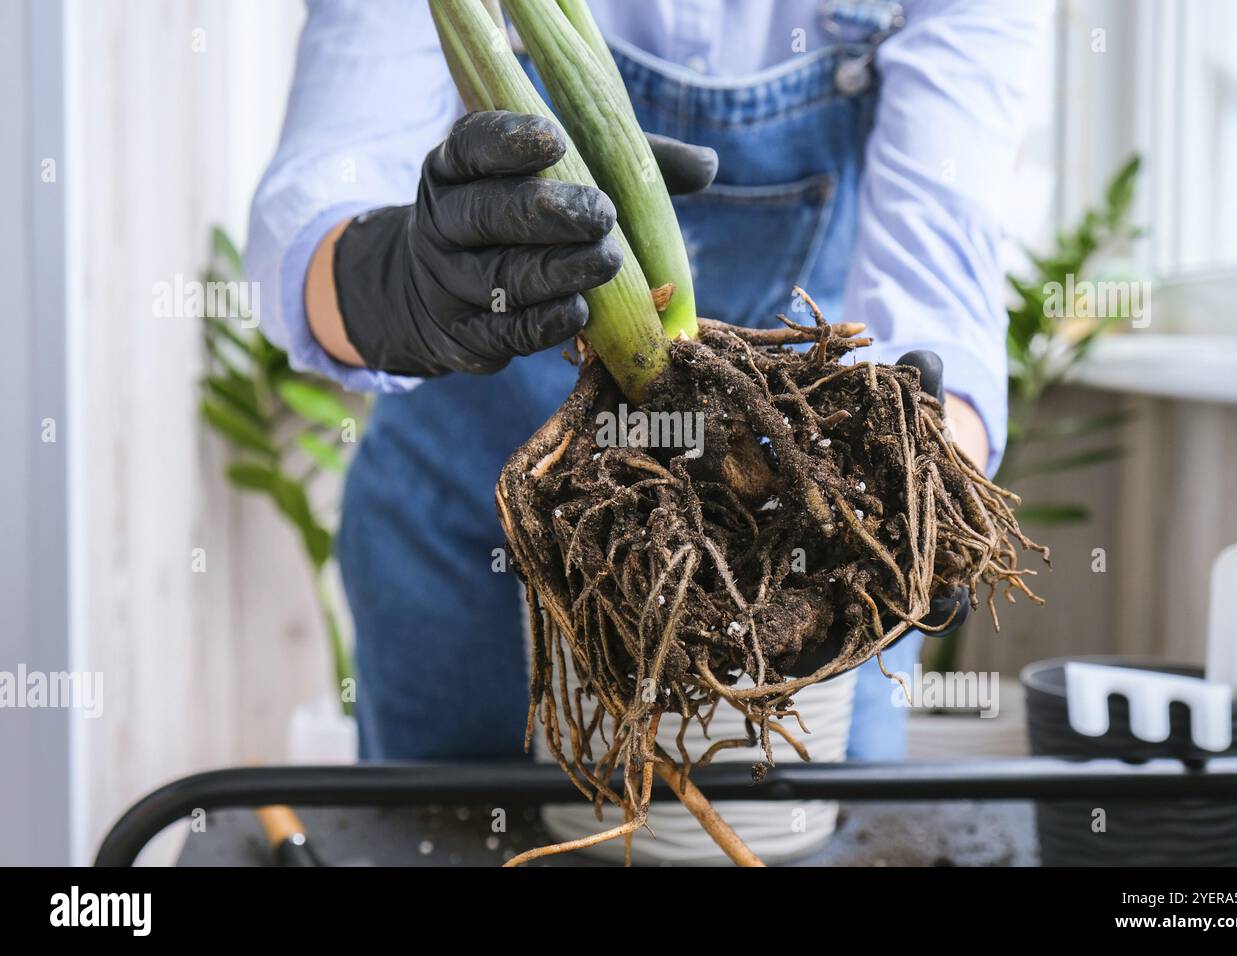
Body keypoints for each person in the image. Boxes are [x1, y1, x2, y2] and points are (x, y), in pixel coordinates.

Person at [248, 0, 1046, 762]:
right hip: (470, 532)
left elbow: (938, 262)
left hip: (814, 535)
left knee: (817, 832)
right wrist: (389, 278)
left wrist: (919, 499)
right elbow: (320, 195)